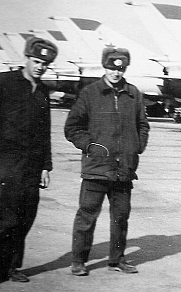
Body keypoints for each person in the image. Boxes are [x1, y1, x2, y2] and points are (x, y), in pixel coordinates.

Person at [0, 37, 58, 290]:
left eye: (45, 63)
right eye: (37, 60)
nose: (40, 66)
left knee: (24, 217)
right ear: (27, 58)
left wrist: (46, 166)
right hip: (5, 162)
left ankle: (10, 267)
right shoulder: (4, 82)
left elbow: (45, 132)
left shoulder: (42, 91)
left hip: (31, 166)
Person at [64, 47, 150, 276]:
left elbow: (143, 125)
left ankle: (117, 259)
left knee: (121, 217)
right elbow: (72, 127)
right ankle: (79, 261)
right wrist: (90, 147)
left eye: (120, 69)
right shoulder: (90, 93)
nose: (116, 73)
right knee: (86, 216)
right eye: (112, 68)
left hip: (124, 169)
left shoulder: (133, 94)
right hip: (96, 169)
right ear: (104, 67)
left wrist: (136, 147)